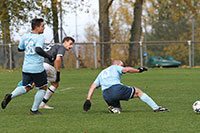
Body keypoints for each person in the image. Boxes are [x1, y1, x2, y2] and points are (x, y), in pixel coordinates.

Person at [1, 18, 54, 115]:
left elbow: (20, 48)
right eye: (42, 26)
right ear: (37, 27)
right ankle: (34, 110)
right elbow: (38, 49)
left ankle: (11, 96)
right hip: (37, 68)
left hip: (26, 67)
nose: (44, 28)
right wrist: (49, 56)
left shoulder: (25, 36)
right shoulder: (40, 37)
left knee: (26, 86)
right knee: (43, 87)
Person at [83, 60, 169, 114]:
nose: (122, 66)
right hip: (116, 89)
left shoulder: (102, 72)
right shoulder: (116, 67)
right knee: (138, 92)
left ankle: (115, 109)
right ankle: (156, 108)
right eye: (122, 65)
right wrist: (139, 70)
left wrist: (88, 99)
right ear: (117, 64)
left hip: (106, 95)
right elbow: (126, 70)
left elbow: (92, 86)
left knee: (119, 109)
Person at [39, 36, 75, 109]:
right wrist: (58, 72)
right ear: (65, 42)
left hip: (38, 64)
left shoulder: (54, 45)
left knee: (31, 84)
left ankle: (13, 94)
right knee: (55, 84)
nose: (71, 46)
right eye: (70, 44)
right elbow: (58, 59)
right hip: (47, 65)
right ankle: (42, 104)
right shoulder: (62, 47)